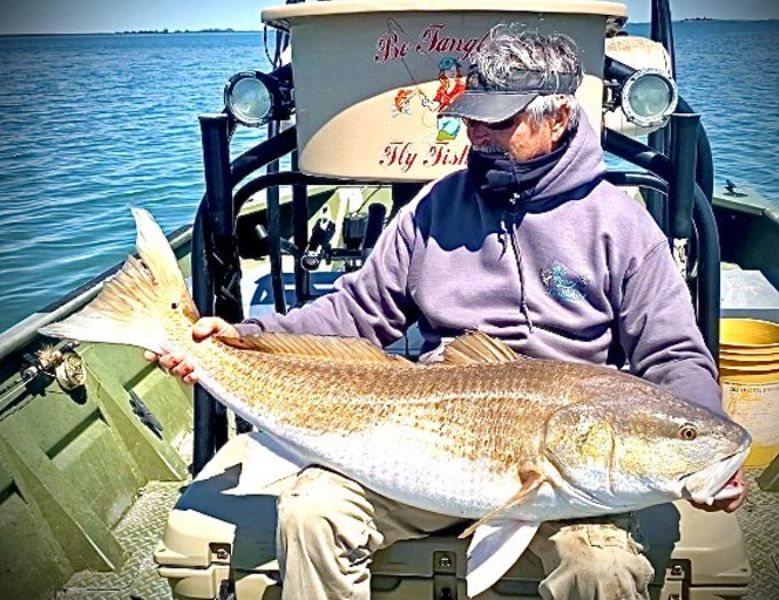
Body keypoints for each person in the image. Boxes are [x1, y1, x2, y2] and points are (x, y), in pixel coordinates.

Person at [148, 23, 747, 600]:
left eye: (499, 122)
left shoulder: (620, 224)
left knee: (603, 570)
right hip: (426, 440)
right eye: (471, 120)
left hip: (569, 468)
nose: (477, 137)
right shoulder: (435, 208)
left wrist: (703, 456)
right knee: (312, 513)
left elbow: (672, 352)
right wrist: (241, 337)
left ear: (559, 115)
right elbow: (357, 312)